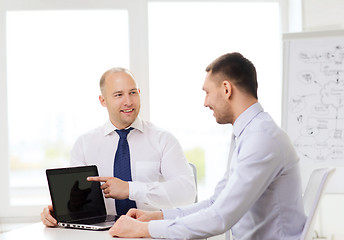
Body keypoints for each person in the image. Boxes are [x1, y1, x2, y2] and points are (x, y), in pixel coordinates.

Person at [108, 53, 307, 239]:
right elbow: (216, 202)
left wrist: (144, 229)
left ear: (227, 89)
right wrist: (159, 216)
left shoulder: (262, 139)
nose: (205, 102)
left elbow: (220, 218)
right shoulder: (249, 133)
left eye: (207, 92)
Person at [40, 67, 196, 227]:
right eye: (119, 95)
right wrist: (59, 212)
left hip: (151, 232)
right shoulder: (84, 144)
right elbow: (79, 203)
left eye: (133, 92)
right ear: (103, 100)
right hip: (103, 235)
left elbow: (187, 193)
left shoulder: (163, 140)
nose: (128, 101)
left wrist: (130, 189)